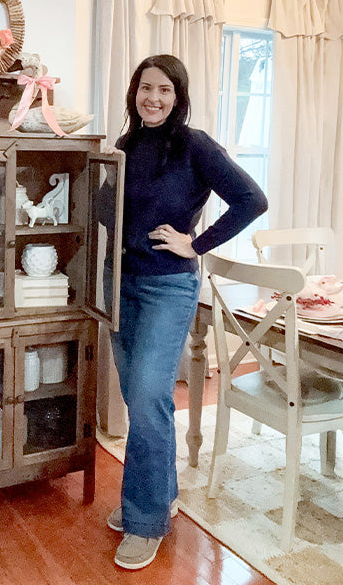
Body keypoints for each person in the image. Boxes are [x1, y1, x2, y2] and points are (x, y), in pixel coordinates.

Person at [98, 54, 268, 570]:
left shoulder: (194, 145)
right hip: (119, 284)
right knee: (142, 399)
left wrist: (195, 244)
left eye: (164, 90)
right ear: (134, 93)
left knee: (149, 394)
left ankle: (146, 521)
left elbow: (251, 199)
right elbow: (105, 211)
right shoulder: (126, 145)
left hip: (167, 287)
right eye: (145, 88)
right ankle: (161, 494)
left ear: (178, 97)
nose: (153, 98)